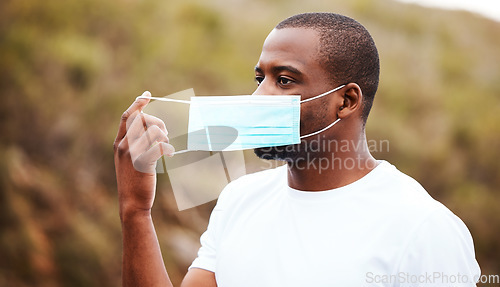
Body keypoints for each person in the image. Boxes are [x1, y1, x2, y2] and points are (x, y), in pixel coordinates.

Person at [114, 13, 480, 286]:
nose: (259, 97)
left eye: (284, 80)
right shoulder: (240, 198)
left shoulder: (422, 228)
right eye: (260, 79)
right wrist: (136, 211)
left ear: (346, 101)